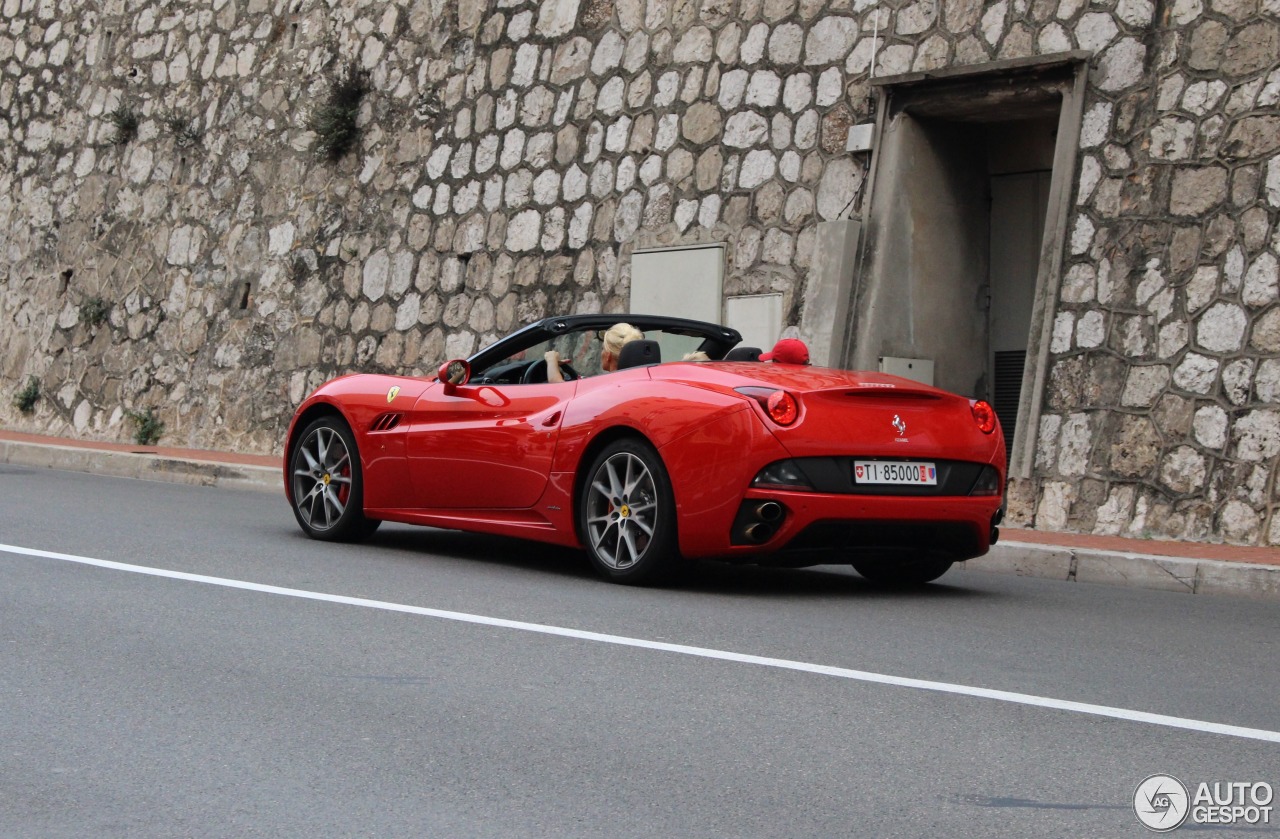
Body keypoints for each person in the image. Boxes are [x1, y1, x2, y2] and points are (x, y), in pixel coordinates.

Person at [546, 322, 644, 382]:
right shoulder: (644, 382)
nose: (601, 352)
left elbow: (559, 386)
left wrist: (551, 360)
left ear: (608, 356)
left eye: (603, 349)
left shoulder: (605, 385)